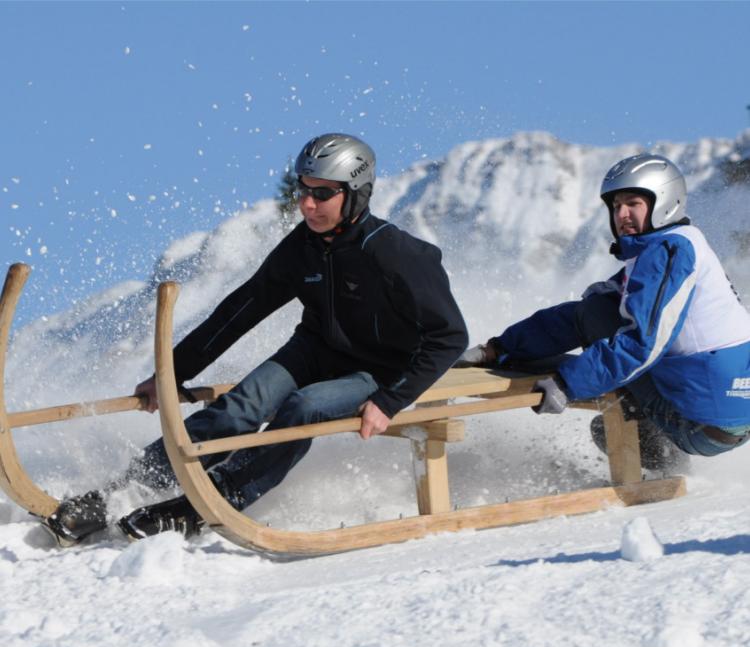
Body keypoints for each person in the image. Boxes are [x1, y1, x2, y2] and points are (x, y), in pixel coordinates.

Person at [44, 133, 468, 546]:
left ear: (355, 193)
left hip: (382, 369)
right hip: (317, 349)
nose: (307, 204)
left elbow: (449, 337)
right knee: (243, 404)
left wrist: (390, 400)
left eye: (322, 194)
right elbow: (237, 313)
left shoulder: (395, 253)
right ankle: (128, 488)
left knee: (305, 407)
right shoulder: (302, 246)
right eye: (303, 190)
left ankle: (218, 497)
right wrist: (172, 374)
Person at [462, 153, 750, 470]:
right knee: (600, 306)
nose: (622, 214)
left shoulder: (665, 252)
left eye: (633, 204)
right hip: (733, 416)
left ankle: (662, 451)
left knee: (601, 316)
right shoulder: (685, 244)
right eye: (615, 207)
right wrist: (500, 347)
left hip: (699, 425)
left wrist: (565, 385)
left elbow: (641, 343)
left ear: (664, 203)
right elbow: (580, 317)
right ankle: (510, 352)